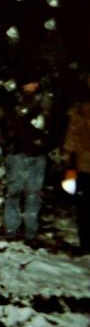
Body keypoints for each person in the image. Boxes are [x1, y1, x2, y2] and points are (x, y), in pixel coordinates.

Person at [1, 77, 53, 242]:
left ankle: (31, 231)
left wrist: (46, 145)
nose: (34, 84)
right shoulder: (13, 100)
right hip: (17, 154)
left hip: (38, 155)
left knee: (34, 194)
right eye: (30, 81)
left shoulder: (46, 100)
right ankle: (11, 229)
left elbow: (53, 125)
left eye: (36, 82)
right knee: (14, 193)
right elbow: (10, 124)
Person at [61, 73, 90, 254]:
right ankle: (86, 245)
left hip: (82, 165)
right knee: (84, 208)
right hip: (83, 166)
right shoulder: (79, 110)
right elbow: (71, 139)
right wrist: (69, 163)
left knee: (84, 208)